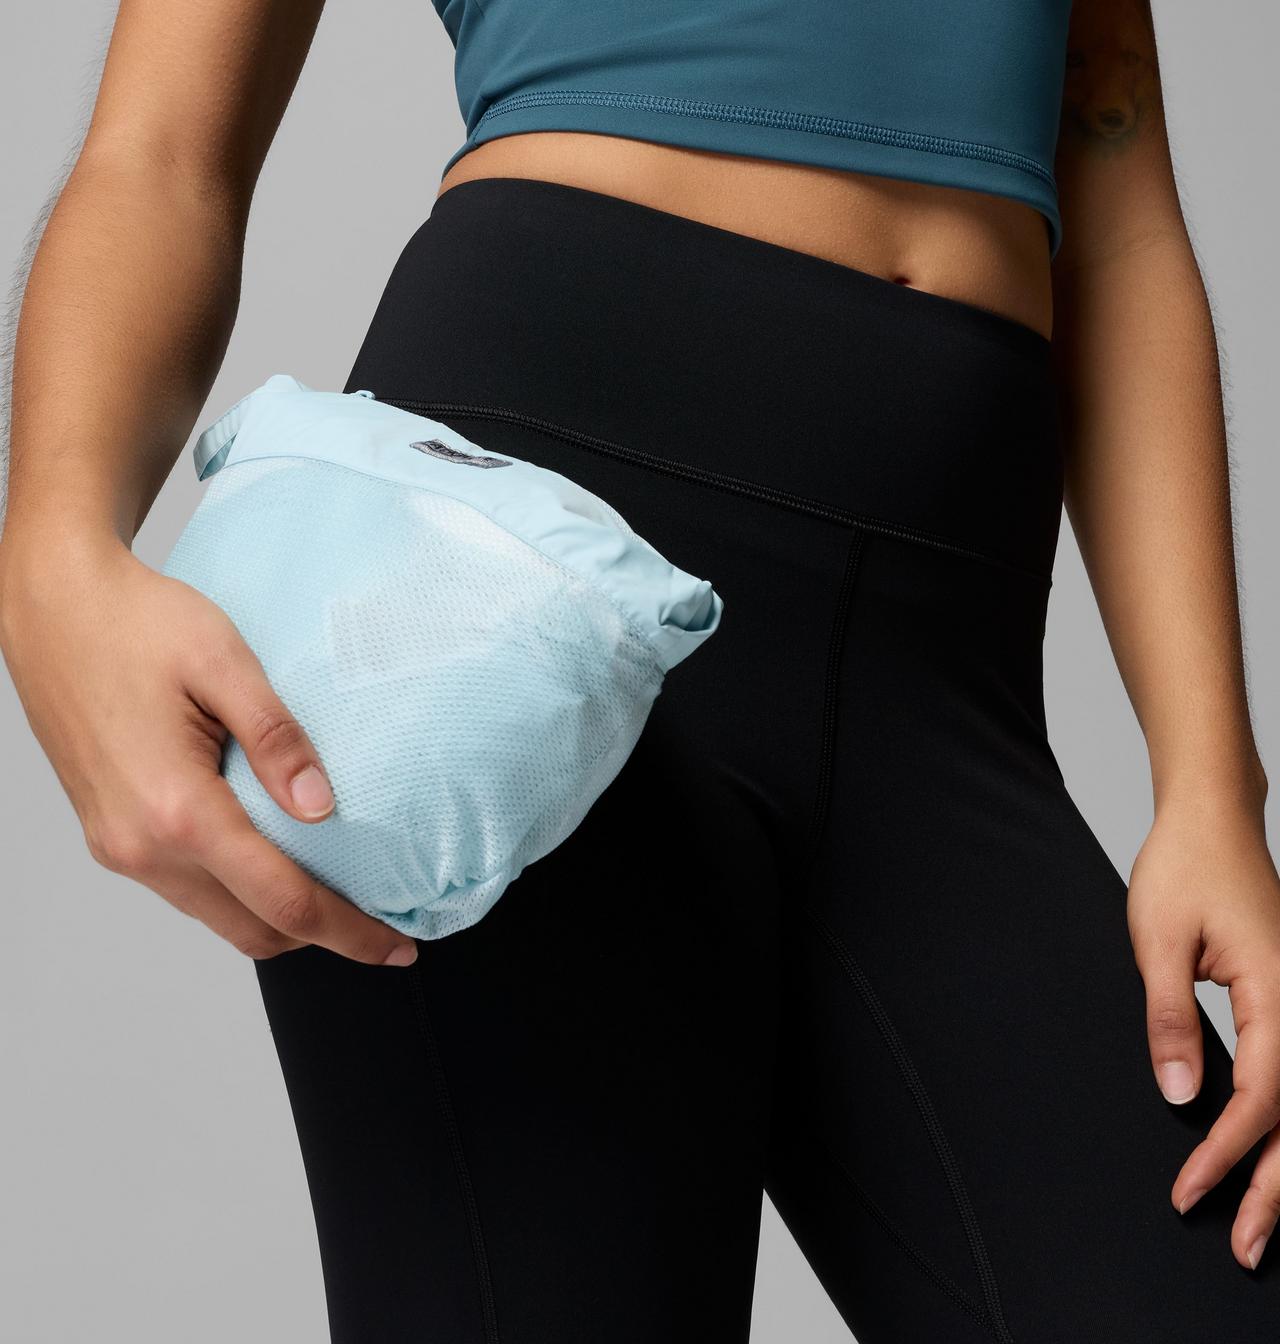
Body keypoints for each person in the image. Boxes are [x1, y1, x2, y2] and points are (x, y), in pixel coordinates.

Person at [1, 0, 1277, 1339]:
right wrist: (51, 558)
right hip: (517, 606)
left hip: (944, 654)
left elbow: (1114, 171)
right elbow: (160, 153)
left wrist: (1212, 786)